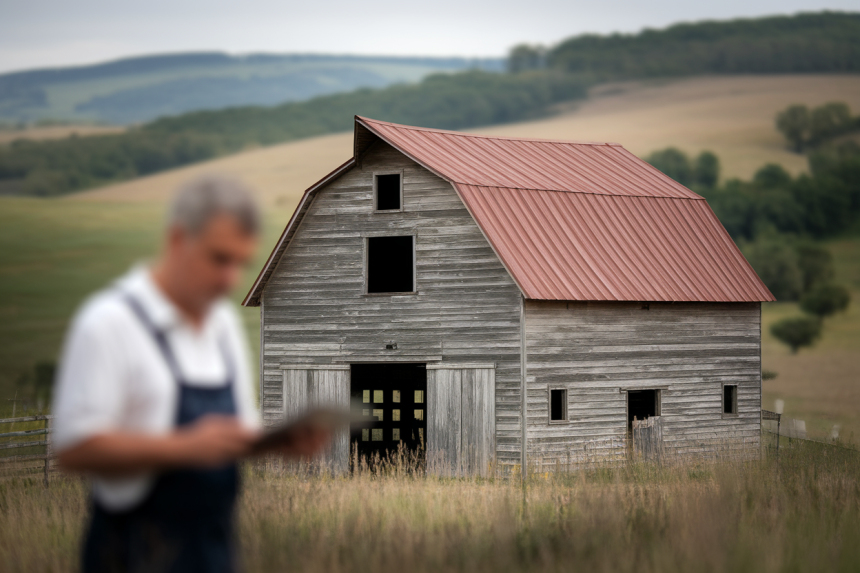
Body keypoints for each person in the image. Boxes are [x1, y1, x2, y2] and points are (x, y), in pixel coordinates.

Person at [52, 176, 327, 573]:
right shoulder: (110, 323)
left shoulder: (224, 328)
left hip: (214, 551)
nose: (231, 279)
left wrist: (274, 443)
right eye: (219, 259)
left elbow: (229, 438)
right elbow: (73, 447)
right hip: (133, 554)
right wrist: (184, 448)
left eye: (240, 263)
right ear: (178, 239)